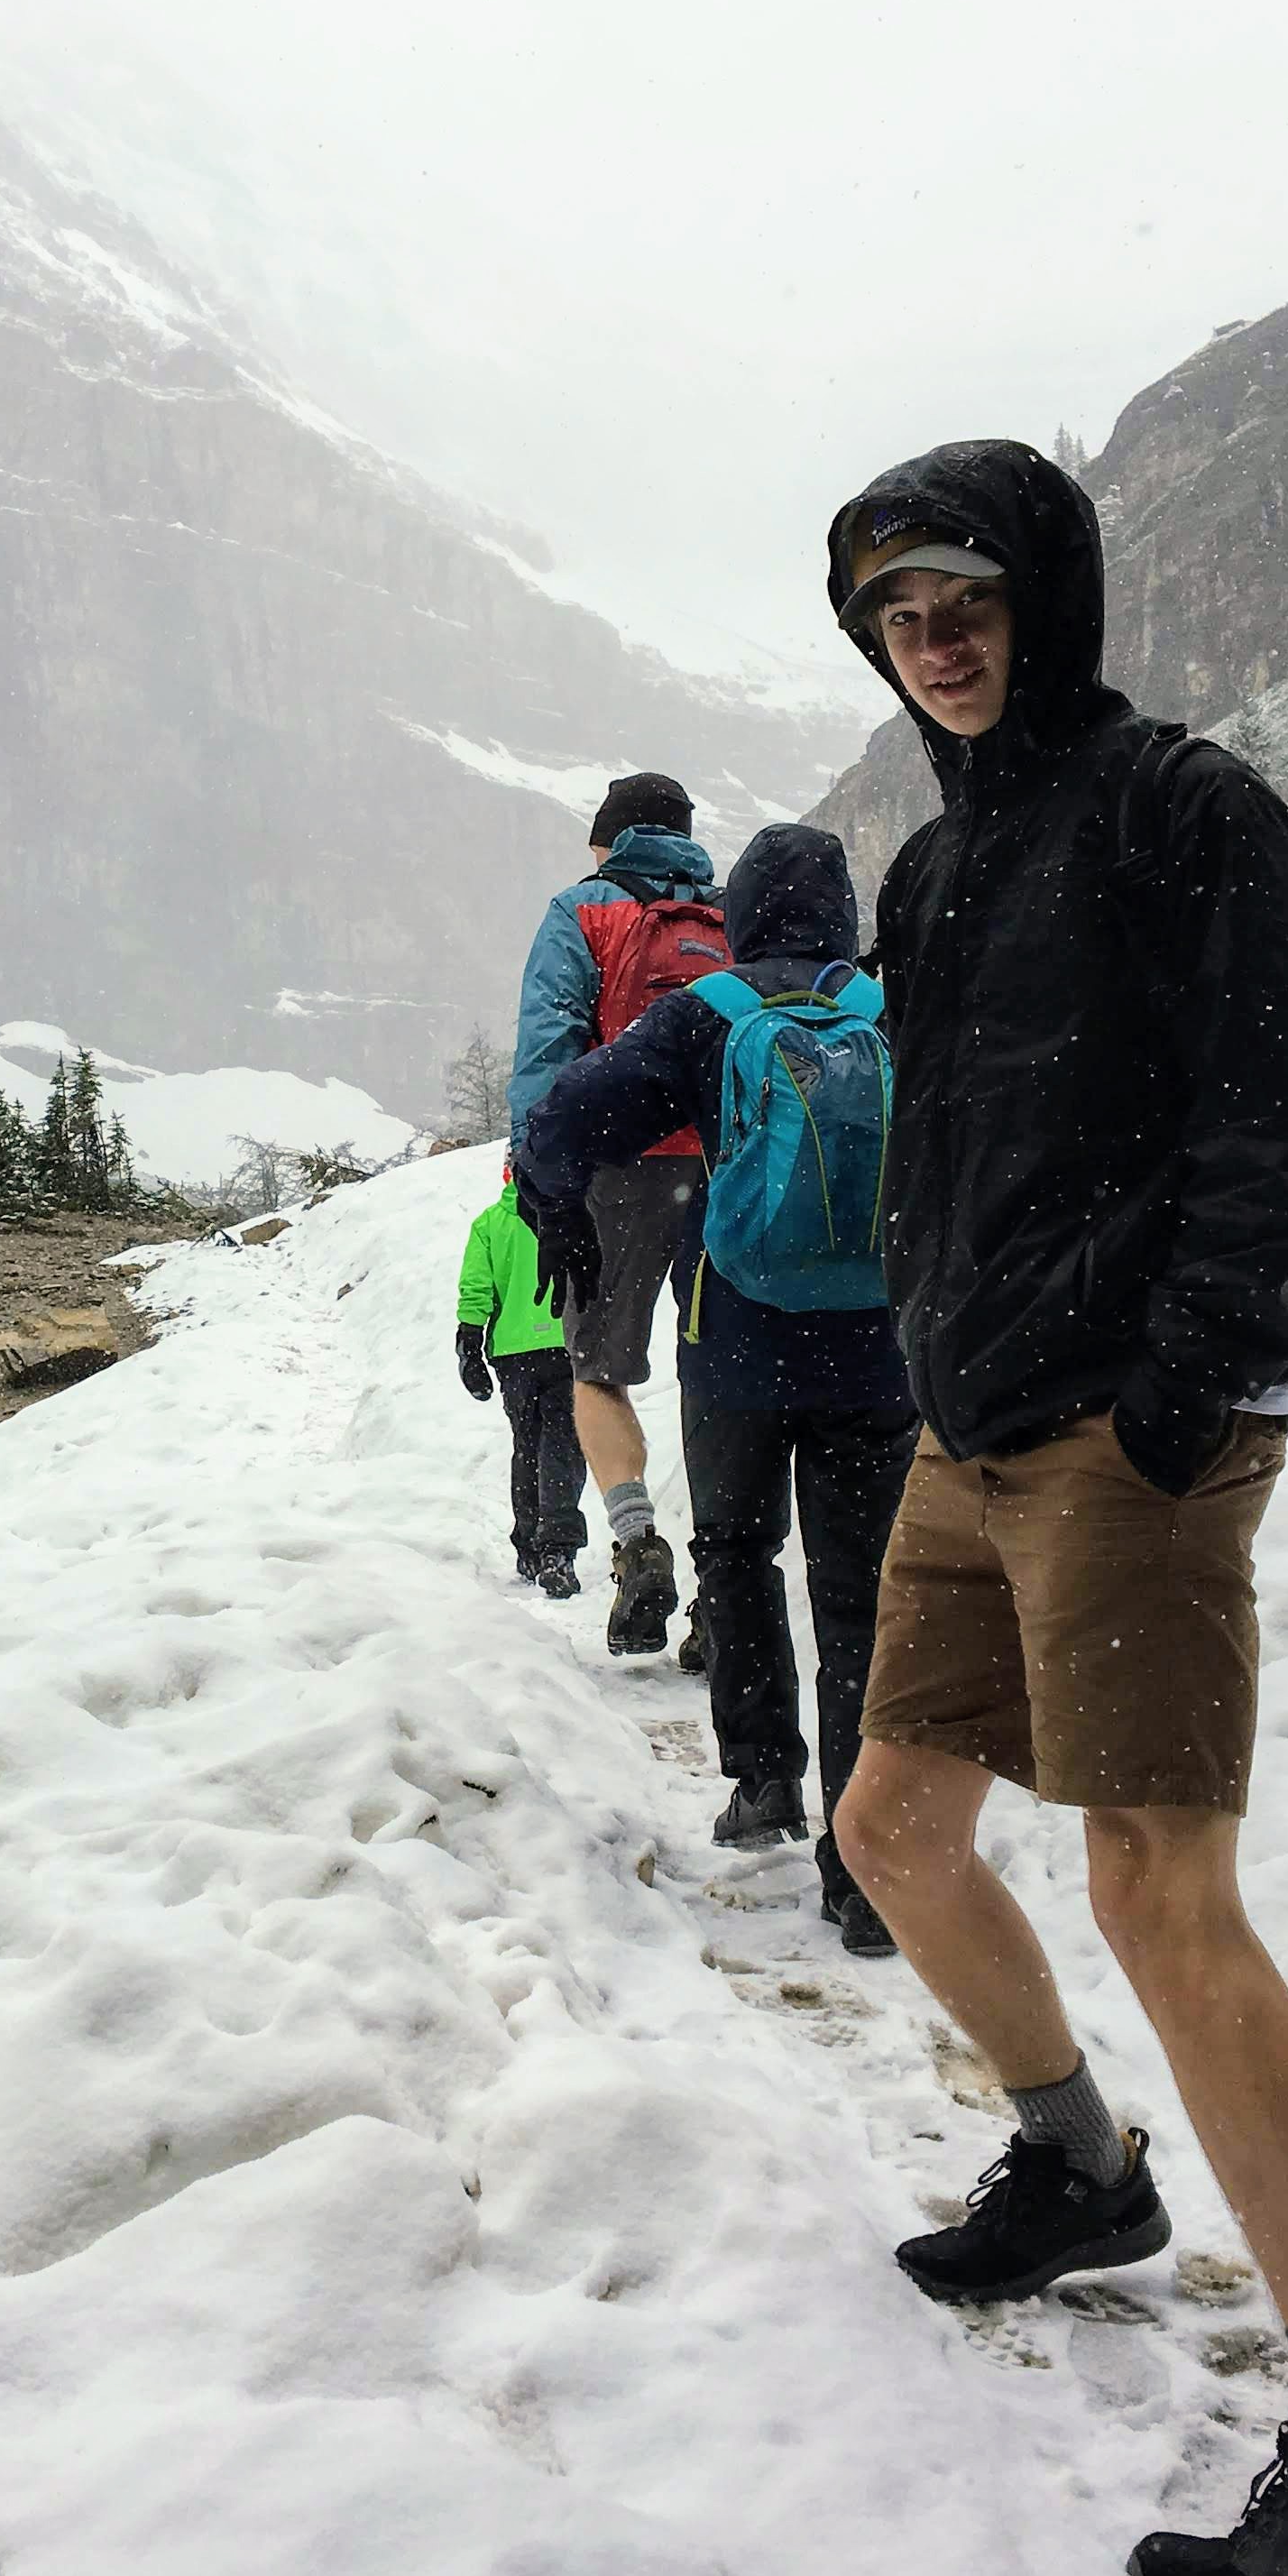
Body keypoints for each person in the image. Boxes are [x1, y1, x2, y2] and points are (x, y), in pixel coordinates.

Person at [821, 440, 1288, 2576]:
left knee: (1158, 1891)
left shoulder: (1185, 810)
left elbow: (1271, 1119)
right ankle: (1084, 2173)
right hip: (974, 1419)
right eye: (892, 609)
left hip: (1134, 1430)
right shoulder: (925, 880)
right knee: (895, 1828)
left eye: (965, 592)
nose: (934, 635)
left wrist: (1190, 1370)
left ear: (1048, 593)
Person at [514, 823, 915, 1958]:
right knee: (861, 1597)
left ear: (740, 910)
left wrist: (556, 1215)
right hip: (877, 1350)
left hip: (736, 1340)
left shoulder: (710, 1014)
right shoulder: (891, 1013)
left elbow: (562, 1119)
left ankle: (761, 1785)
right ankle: (866, 1869)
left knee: (738, 1554)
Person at [506, 771, 720, 1655]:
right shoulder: (728, 914)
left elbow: (549, 1046)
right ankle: (726, 1585)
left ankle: (636, 1543)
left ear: (610, 838)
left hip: (614, 1171)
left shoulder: (583, 910)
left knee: (597, 1370)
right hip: (721, 1166)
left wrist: (536, 1176)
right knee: (719, 1379)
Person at [454, 1159, 584, 1599]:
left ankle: (529, 1545)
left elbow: (476, 1287)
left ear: (509, 1174)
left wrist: (469, 1344)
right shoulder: (574, 1209)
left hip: (514, 1356)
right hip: (568, 1345)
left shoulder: (490, 1223)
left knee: (528, 1446)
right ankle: (558, 1552)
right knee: (563, 1446)